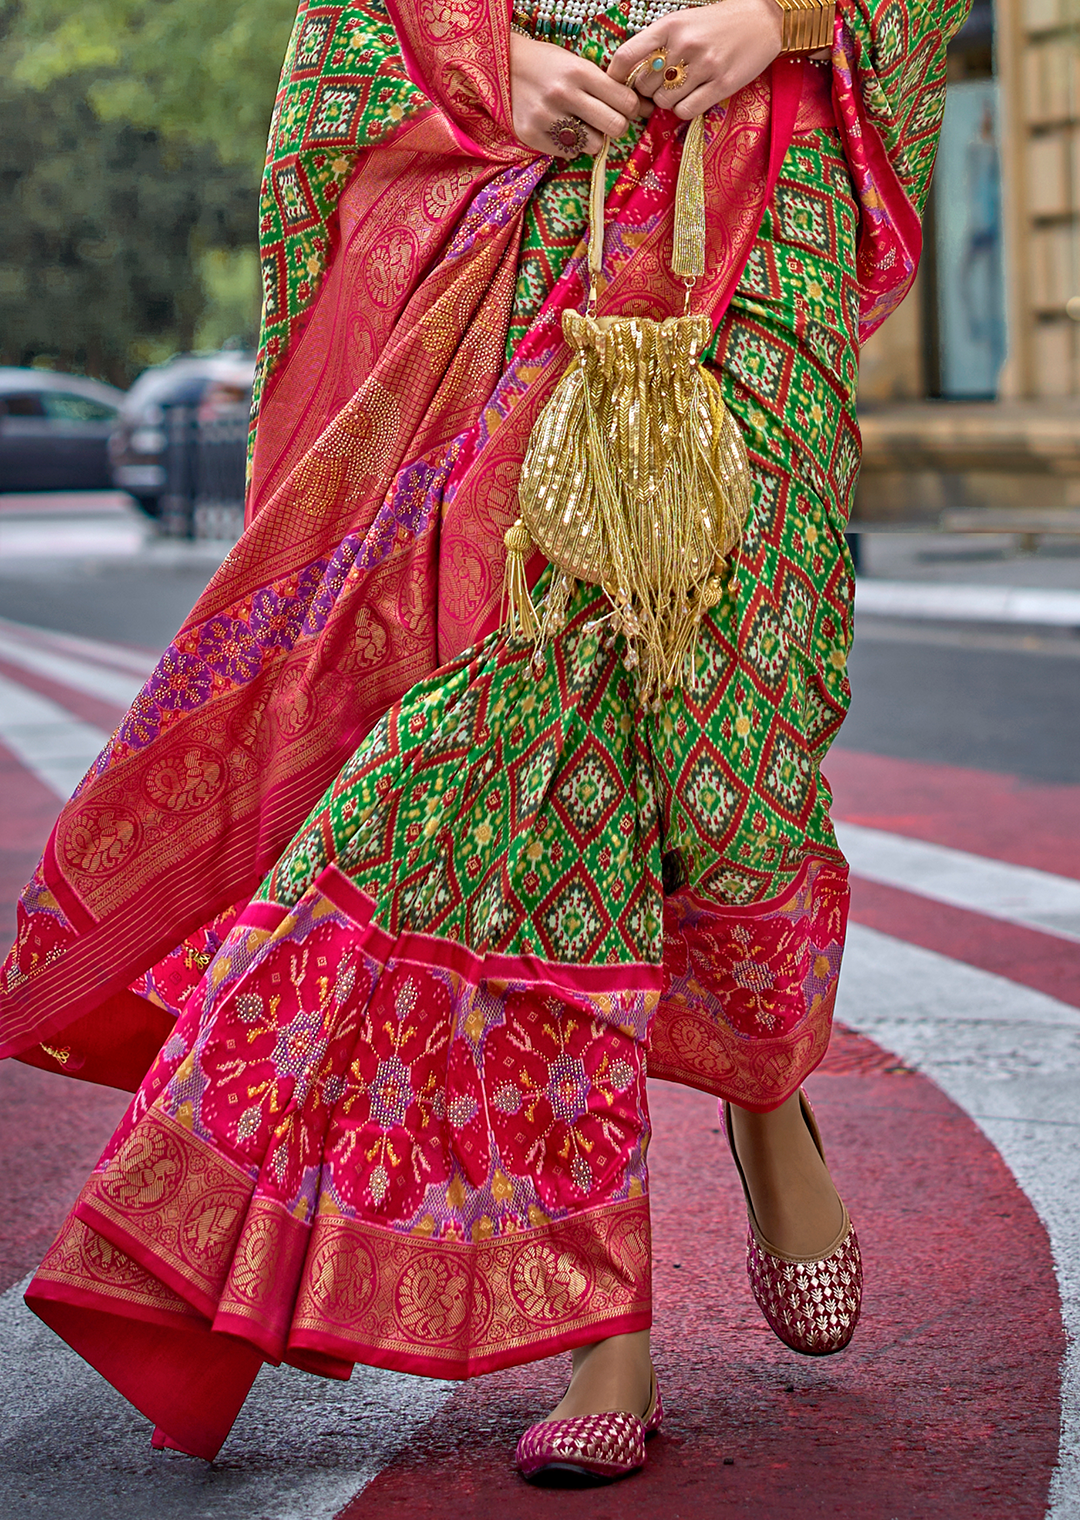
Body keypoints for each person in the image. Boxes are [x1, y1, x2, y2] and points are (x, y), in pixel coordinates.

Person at [0, 0, 967, 1485]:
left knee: (732, 756)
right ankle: (606, 1320)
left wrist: (777, 22)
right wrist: (485, 69)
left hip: (764, 228)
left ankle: (767, 1093)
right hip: (537, 232)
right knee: (537, 745)